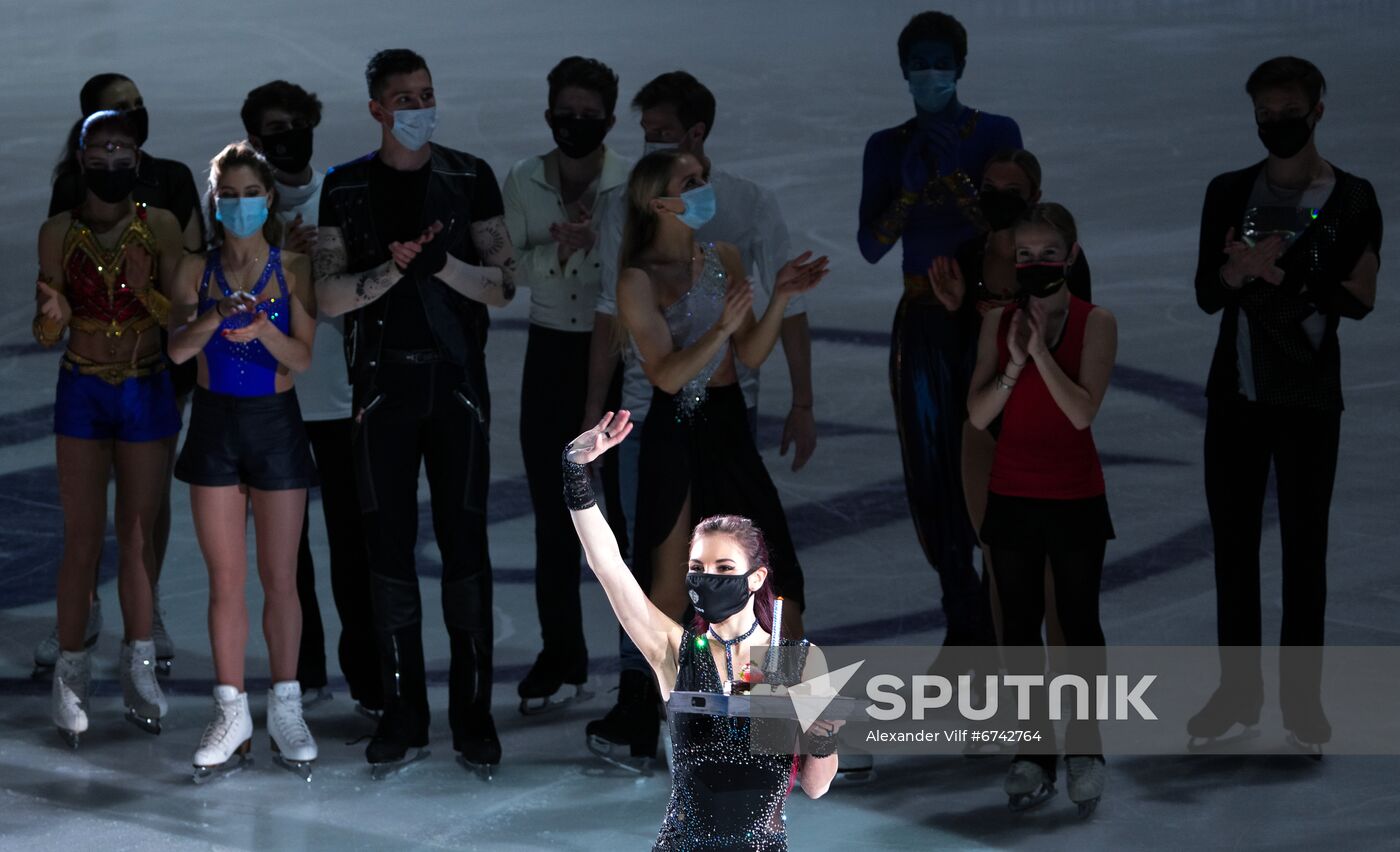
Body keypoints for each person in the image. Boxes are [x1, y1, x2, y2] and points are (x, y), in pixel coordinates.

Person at [584, 69, 820, 768]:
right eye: (691, 180)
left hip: (724, 426)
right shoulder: (637, 279)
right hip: (672, 432)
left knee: (781, 578)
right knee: (668, 587)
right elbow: (663, 372)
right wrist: (719, 330)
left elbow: (748, 352)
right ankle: (684, 725)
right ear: (660, 201)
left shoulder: (722, 256)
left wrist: (776, 298)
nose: (703, 186)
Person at [314, 49, 517, 779]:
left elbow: (503, 286)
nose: (418, 104)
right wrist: (392, 272)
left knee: (467, 549)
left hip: (456, 389)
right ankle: (403, 709)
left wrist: (443, 268)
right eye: (404, 96)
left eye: (427, 93)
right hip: (380, 393)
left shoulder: (469, 176)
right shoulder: (344, 188)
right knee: (387, 553)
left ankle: (473, 713)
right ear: (377, 108)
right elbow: (329, 295)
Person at [1189, 56, 1380, 754]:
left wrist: (1279, 272)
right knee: (1234, 551)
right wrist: (1237, 272)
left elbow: (1360, 296)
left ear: (1318, 109)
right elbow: (1209, 294)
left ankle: (1303, 705)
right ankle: (1237, 694)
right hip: (1236, 393)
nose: (1277, 123)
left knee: (1305, 551)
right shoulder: (1229, 191)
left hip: (1305, 400)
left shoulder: (1350, 199)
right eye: (1265, 114)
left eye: (1288, 110)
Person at [564, 410, 840, 849]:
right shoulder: (674, 651)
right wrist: (576, 473)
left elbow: (816, 785)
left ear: (755, 578)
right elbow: (608, 566)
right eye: (697, 568)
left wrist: (821, 735)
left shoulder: (796, 661)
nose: (706, 578)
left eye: (723, 568)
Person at [857, 11, 1022, 664]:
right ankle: (963, 615)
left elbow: (1014, 229)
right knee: (931, 472)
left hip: (987, 316)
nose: (930, 70)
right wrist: (910, 192)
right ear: (904, 70)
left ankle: (1001, 616)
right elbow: (871, 245)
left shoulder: (997, 134)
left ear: (959, 65)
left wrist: (961, 186)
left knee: (991, 468)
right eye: (919, 61)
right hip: (923, 322)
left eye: (940, 59)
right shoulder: (887, 146)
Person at [35, 72, 204, 681]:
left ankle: (146, 607)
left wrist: (153, 299)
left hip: (156, 369)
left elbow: (188, 281)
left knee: (146, 506)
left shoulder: (174, 184)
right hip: (89, 375)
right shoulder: (69, 194)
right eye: (115, 114)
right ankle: (81, 614)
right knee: (83, 516)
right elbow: (60, 291)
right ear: (85, 137)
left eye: (135, 111)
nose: (131, 120)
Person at [168, 142, 319, 780]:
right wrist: (214, 318)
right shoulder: (191, 272)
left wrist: (261, 331)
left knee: (280, 578)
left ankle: (286, 704)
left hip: (275, 427)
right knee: (225, 581)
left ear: (269, 199)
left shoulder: (296, 268)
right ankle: (232, 710)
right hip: (214, 428)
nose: (238, 205)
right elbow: (177, 352)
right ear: (215, 201)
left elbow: (303, 358)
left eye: (248, 193)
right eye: (226, 195)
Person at [966, 202, 1117, 816]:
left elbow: (1082, 412)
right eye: (1023, 256)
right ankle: (1032, 751)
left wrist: (1041, 355)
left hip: (1075, 495)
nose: (1034, 264)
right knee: (1021, 631)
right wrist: (1014, 364)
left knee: (1078, 627)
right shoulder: (997, 324)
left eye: (1046, 254)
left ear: (1071, 256)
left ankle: (1086, 750)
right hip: (1013, 494)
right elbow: (978, 415)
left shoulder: (1095, 321)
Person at [242, 79, 381, 715]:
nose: (288, 137)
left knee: (355, 548)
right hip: (274, 398)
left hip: (342, 395)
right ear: (253, 139)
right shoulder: (243, 205)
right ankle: (303, 672)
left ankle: (369, 678)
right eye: (274, 128)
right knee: (285, 552)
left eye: (297, 124)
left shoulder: (344, 191)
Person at [502, 56, 632, 715]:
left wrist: (598, 240)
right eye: (565, 114)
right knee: (555, 513)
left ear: (608, 119)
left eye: (589, 116)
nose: (575, 125)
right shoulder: (523, 180)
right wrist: (558, 247)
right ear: (549, 113)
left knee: (628, 515)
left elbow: (645, 263)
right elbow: (508, 266)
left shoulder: (628, 182)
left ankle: (640, 666)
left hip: (619, 348)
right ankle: (562, 651)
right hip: (552, 348)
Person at [927, 148, 1092, 651]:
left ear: (1034, 197)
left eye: (1011, 193)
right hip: (985, 425)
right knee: (1001, 565)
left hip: (1046, 428)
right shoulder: (969, 256)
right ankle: (1020, 707)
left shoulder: (1060, 260)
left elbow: (1076, 336)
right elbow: (965, 356)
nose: (997, 200)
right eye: (990, 190)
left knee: (1052, 573)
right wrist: (957, 312)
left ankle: (1074, 706)